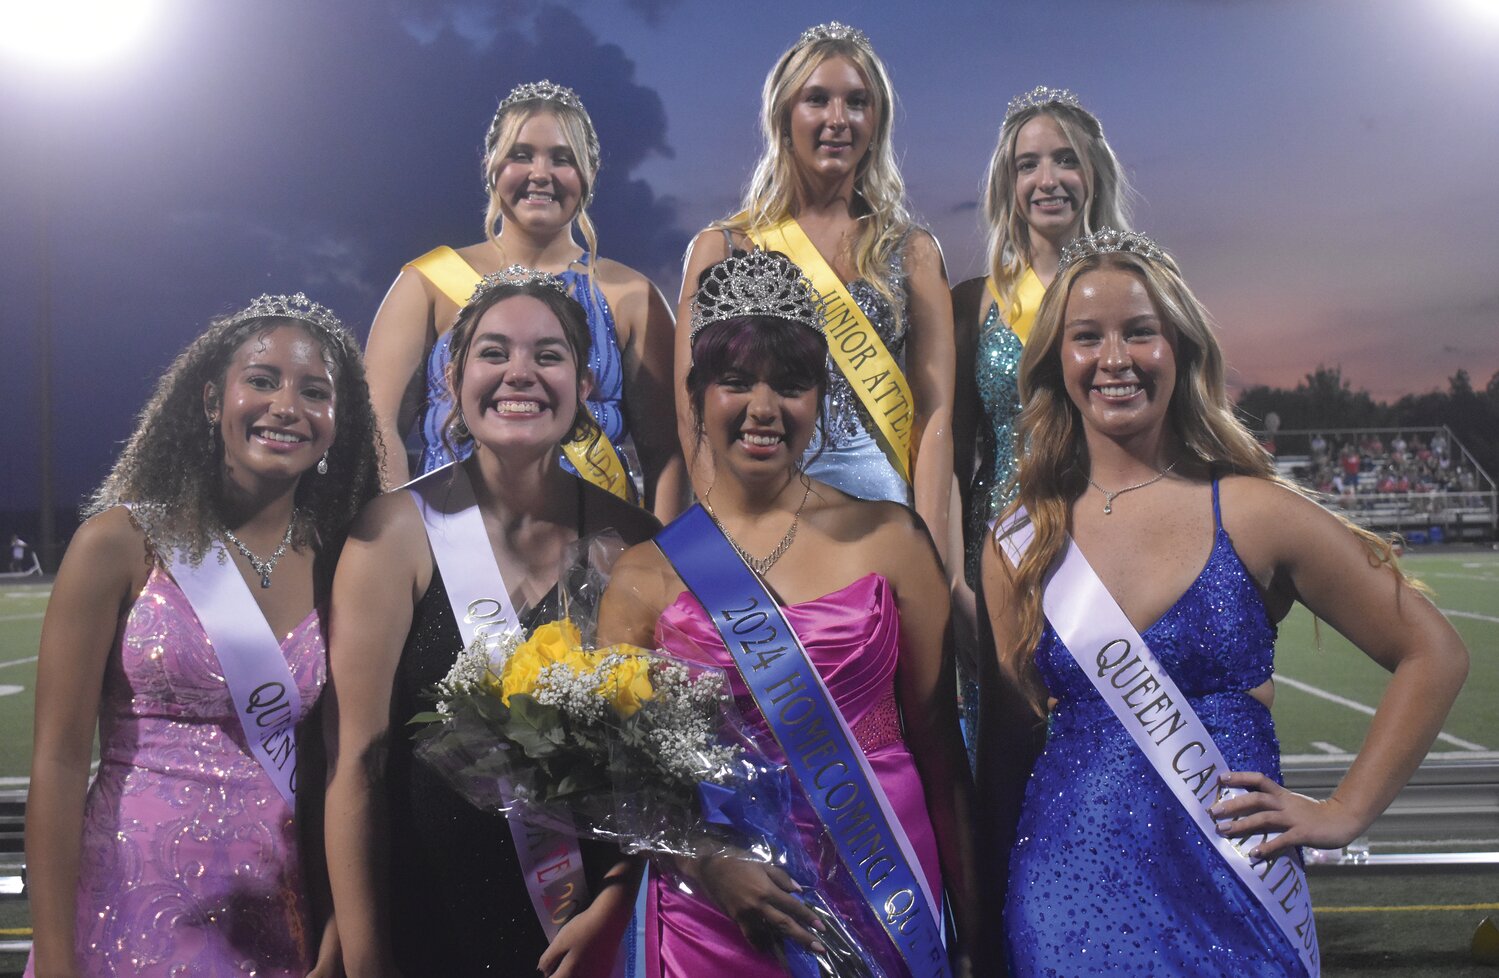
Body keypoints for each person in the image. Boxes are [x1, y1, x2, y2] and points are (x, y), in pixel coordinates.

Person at [982, 229, 1469, 975]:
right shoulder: (1021, 537)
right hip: (1064, 886)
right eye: (1087, 337)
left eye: (1138, 332)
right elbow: (1014, 739)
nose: (1113, 359)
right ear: (1055, 360)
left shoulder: (1250, 511)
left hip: (1236, 884)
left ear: (1178, 349)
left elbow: (1432, 651)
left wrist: (1344, 811)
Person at [604, 251, 975, 977]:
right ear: (697, 394)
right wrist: (707, 864)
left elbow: (939, 749)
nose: (764, 408)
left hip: (885, 884)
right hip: (716, 917)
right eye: (736, 382)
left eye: (792, 384)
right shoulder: (642, 575)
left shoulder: (891, 538)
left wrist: (976, 940)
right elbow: (628, 779)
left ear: (821, 397)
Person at [24, 293, 382, 978]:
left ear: (339, 423)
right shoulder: (119, 544)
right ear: (213, 400)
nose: (286, 405)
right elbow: (60, 763)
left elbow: (353, 767)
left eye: (314, 392)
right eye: (261, 380)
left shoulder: (350, 563)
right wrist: (58, 958)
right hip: (121, 907)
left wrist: (343, 918)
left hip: (281, 912)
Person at [325, 267, 660, 978]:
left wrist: (618, 900)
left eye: (548, 355)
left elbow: (661, 766)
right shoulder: (392, 536)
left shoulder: (634, 541)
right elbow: (357, 765)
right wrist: (365, 960)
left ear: (585, 383)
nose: (520, 374)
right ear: (451, 376)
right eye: (493, 352)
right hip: (434, 926)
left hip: (597, 937)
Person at [673, 22, 955, 568]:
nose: (838, 119)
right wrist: (719, 529)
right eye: (817, 100)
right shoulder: (722, 247)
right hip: (749, 507)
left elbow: (935, 416)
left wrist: (932, 554)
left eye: (857, 102)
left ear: (876, 123)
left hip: (880, 514)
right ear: (784, 116)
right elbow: (692, 407)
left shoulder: (912, 251)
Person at [365, 79, 684, 520]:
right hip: (455, 556)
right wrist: (397, 542)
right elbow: (379, 429)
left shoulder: (631, 296)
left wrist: (662, 565)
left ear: (589, 172)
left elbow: (669, 452)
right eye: (521, 155)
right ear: (490, 165)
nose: (540, 173)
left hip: (600, 556)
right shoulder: (428, 283)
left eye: (562, 158)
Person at [950, 86, 1132, 759]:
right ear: (1007, 182)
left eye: (1065, 161)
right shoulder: (972, 303)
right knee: (998, 756)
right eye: (1028, 165)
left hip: (1107, 545)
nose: (1046, 180)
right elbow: (947, 452)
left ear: (1093, 176)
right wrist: (952, 579)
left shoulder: (1135, 290)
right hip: (995, 550)